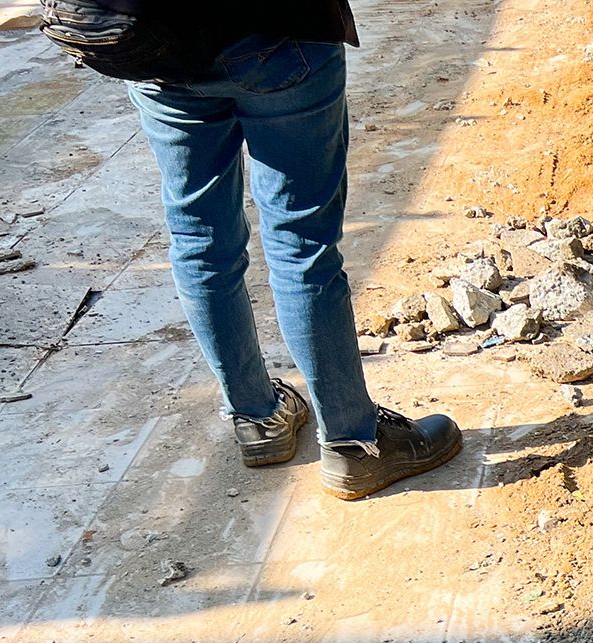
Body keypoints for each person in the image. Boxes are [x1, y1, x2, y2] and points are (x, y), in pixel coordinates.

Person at [45, 1, 459, 499]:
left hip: (150, 45)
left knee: (199, 239)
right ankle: (354, 444)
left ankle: (257, 418)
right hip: (274, 37)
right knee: (301, 244)